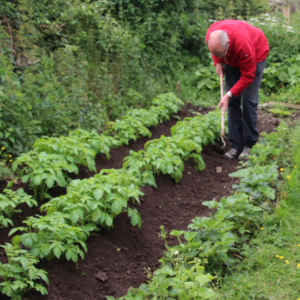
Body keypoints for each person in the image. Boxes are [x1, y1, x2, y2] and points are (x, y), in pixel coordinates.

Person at [205, 20, 269, 159]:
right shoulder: (212, 36)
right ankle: (235, 145)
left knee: (248, 101)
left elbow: (247, 76)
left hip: (255, 55)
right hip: (232, 57)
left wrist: (228, 94)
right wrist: (218, 62)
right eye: (217, 53)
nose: (220, 56)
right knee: (232, 101)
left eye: (221, 53)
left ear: (227, 44)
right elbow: (216, 52)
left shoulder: (243, 44)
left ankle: (249, 145)